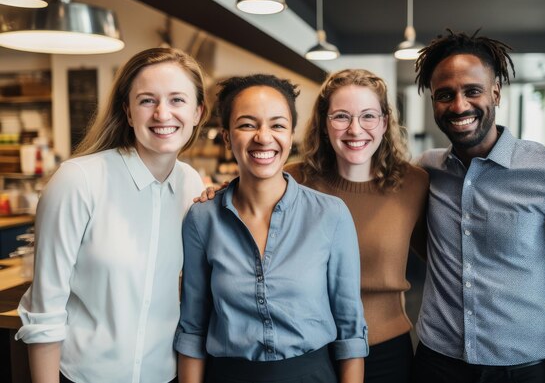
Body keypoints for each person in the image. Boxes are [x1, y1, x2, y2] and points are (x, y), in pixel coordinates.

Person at [411, 29, 545, 383]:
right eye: (445, 95)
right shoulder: (425, 171)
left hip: (521, 371)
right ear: (433, 101)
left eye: (472, 91)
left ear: (496, 93)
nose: (459, 106)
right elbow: (417, 239)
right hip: (435, 362)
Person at [15, 47, 210, 383]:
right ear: (128, 112)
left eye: (177, 100)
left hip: (164, 376)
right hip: (83, 376)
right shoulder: (79, 180)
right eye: (147, 100)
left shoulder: (191, 183)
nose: (163, 114)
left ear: (197, 112)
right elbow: (44, 311)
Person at [174, 74, 368, 383]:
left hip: (312, 375)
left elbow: (351, 331)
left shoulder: (330, 215)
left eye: (277, 125)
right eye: (247, 124)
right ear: (226, 137)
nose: (263, 137)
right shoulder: (202, 219)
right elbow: (193, 328)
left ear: (291, 136)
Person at [285, 69, 429, 383]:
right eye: (341, 116)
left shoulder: (414, 184)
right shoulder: (292, 181)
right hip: (311, 348)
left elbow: (443, 256)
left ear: (385, 122)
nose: (355, 129)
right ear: (324, 123)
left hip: (388, 352)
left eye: (368, 116)